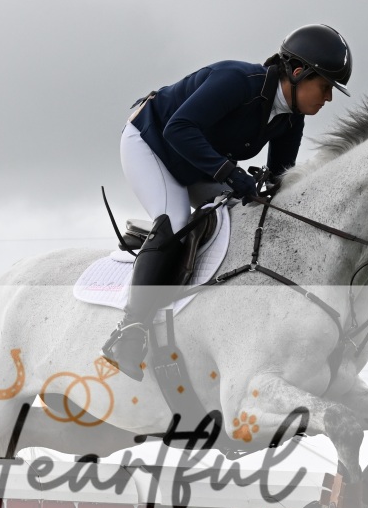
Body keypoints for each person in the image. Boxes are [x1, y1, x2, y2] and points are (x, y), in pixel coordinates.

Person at [100, 24, 352, 378]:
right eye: (325, 86)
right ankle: (129, 330)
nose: (328, 98)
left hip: (195, 162)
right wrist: (232, 174)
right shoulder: (237, 80)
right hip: (151, 142)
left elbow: (279, 177)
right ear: (298, 73)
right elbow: (177, 129)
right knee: (174, 219)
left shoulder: (291, 118)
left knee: (240, 218)